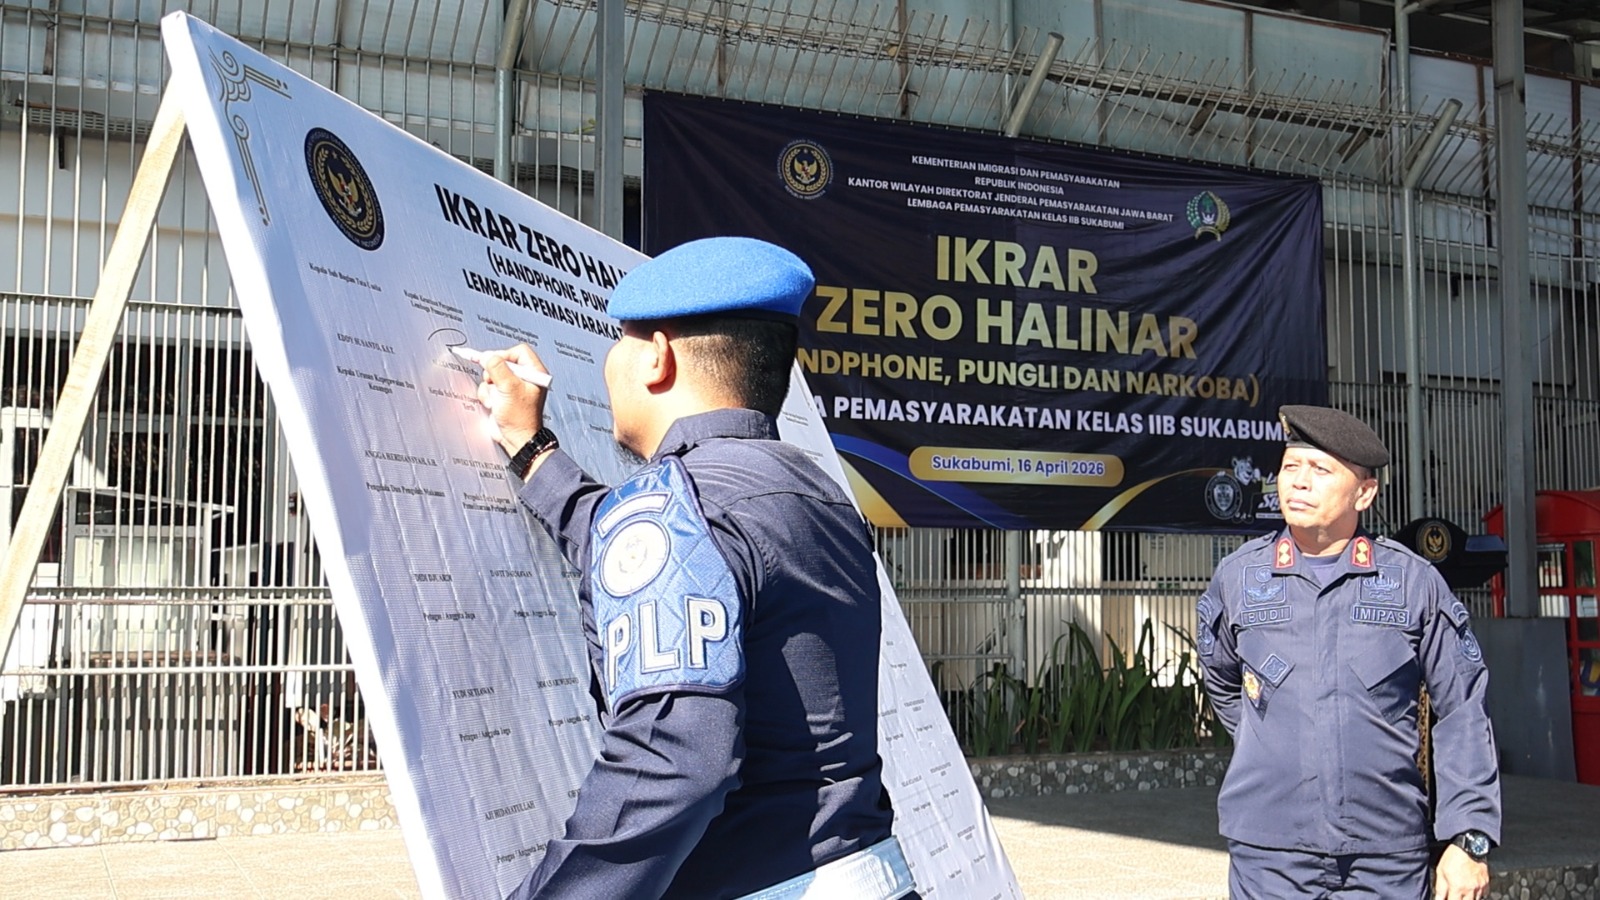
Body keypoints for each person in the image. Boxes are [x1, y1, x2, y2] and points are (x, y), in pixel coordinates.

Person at [475, 236, 917, 900]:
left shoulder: (682, 511)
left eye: (619, 339)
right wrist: (530, 446)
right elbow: (643, 550)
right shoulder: (816, 493)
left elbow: (672, 762)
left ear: (657, 356)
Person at [1196, 405, 1501, 900]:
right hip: (1270, 854)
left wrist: (1469, 838)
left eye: (1320, 470)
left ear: (1364, 492)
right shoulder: (1239, 578)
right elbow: (1225, 684)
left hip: (1385, 856)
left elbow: (1463, 709)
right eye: (1290, 467)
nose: (1298, 482)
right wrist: (1274, 747)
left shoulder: (1411, 582)